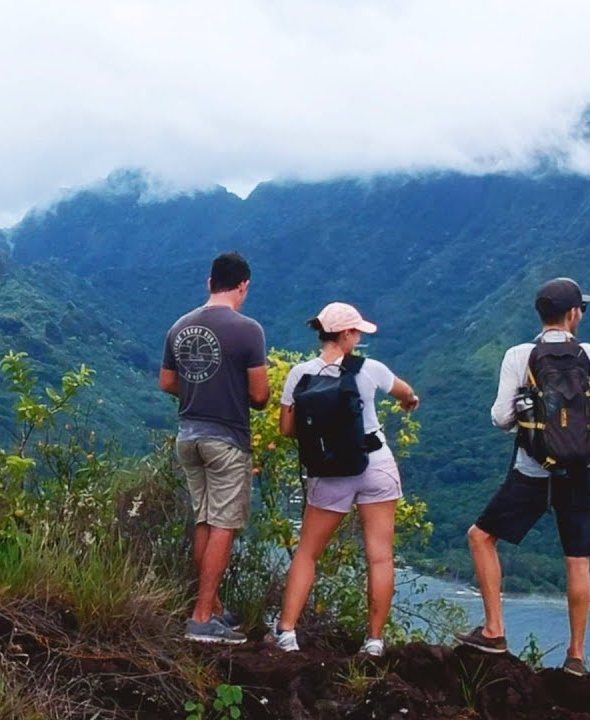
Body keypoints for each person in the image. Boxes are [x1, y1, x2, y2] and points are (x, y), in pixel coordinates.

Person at [457, 277, 590, 676]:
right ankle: (576, 657)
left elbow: (500, 418)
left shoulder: (520, 355)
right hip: (584, 471)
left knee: (481, 537)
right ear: (573, 314)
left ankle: (495, 630)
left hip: (533, 469)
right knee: (578, 561)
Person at [271, 302, 420, 657]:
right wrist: (410, 402)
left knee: (307, 553)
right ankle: (374, 641)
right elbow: (406, 392)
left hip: (329, 470)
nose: (359, 339)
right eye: (357, 333)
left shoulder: (300, 374)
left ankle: (287, 633)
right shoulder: (370, 369)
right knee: (380, 557)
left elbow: (287, 428)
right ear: (347, 334)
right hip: (375, 463)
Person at [160, 252, 270, 644]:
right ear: (244, 286)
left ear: (209, 283)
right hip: (226, 438)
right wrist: (230, 390)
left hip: (188, 435)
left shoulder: (180, 326)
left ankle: (215, 608)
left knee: (206, 520)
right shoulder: (248, 330)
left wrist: (199, 389)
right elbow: (260, 395)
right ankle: (201, 617)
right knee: (224, 523)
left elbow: (167, 382)